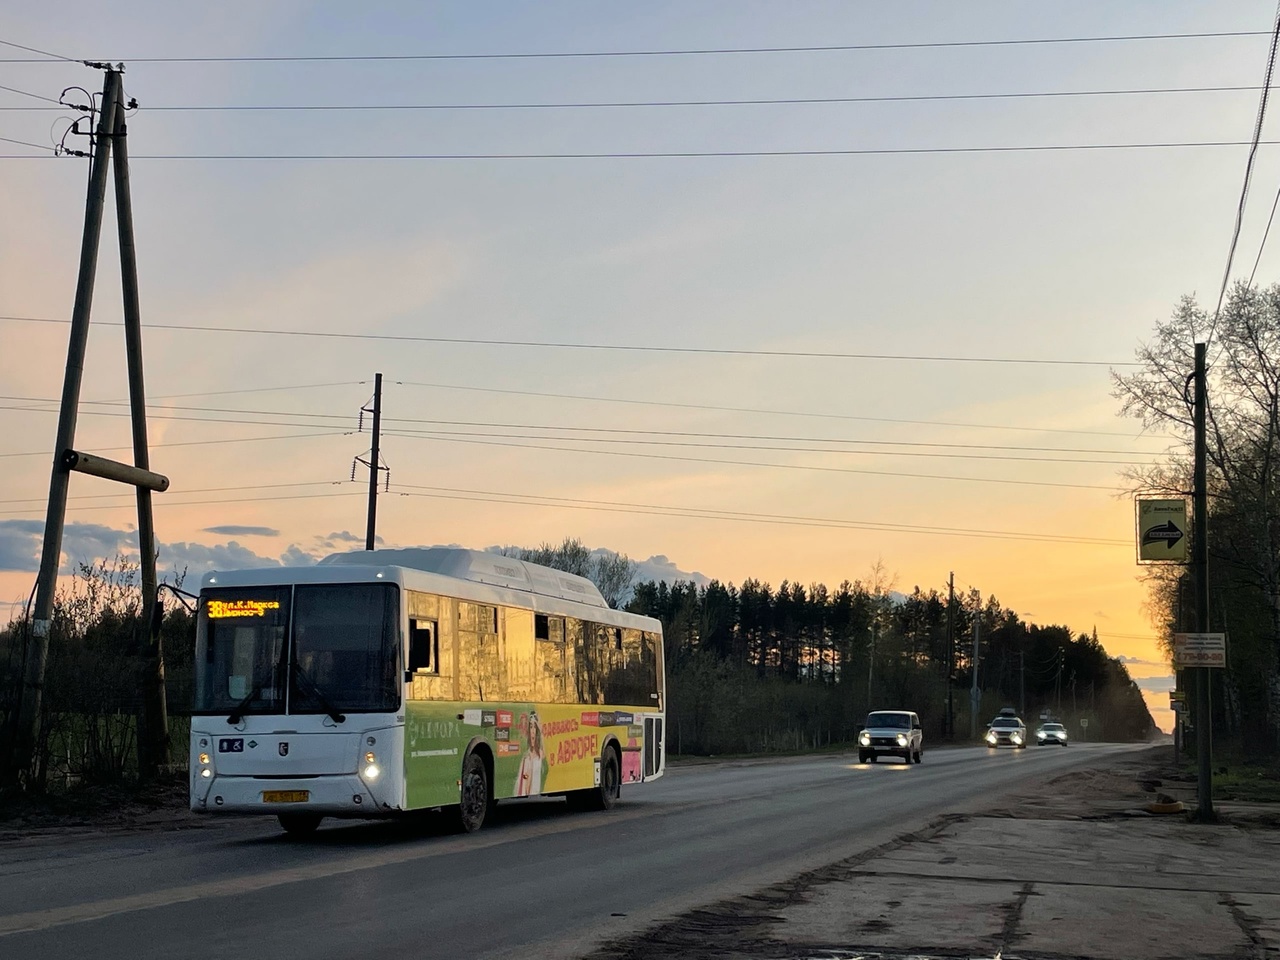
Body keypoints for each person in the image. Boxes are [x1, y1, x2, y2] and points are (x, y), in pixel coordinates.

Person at [514, 711, 546, 796]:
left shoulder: (540, 754)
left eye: (534, 727)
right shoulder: (526, 759)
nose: (532, 731)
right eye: (530, 727)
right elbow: (524, 779)